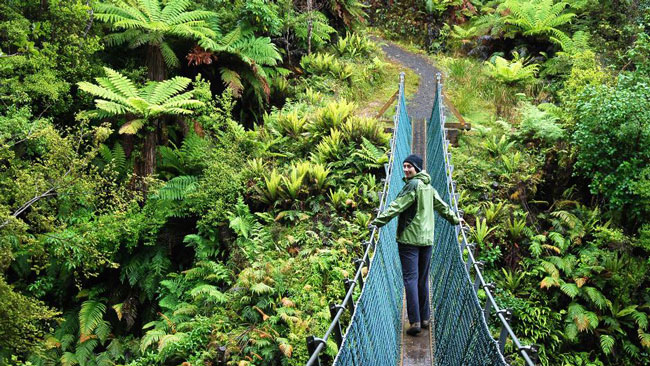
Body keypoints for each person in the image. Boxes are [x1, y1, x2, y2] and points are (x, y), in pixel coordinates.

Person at [371, 154, 460, 336]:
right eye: (404, 166)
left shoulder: (412, 185)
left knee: (410, 279)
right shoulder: (428, 186)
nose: (405, 169)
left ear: (417, 168)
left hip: (409, 240)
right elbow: (442, 206)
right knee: (422, 279)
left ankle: (415, 322)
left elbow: (396, 206)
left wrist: (378, 222)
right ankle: (425, 318)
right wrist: (455, 219)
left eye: (409, 166)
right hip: (426, 240)